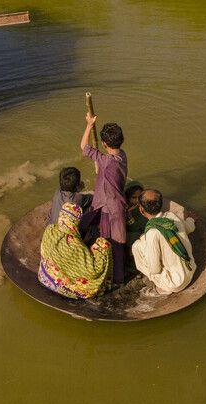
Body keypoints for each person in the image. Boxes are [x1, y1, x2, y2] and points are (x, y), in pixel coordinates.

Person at [79, 113, 127, 285]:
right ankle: (119, 277)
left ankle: (110, 275)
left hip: (108, 206)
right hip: (118, 204)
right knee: (118, 242)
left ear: (105, 144)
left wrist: (89, 125)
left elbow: (84, 146)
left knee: (109, 241)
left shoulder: (105, 161)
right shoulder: (122, 156)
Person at [38, 202, 113, 299]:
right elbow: (93, 271)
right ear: (76, 221)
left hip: (45, 277)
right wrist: (100, 247)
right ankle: (107, 285)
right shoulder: (73, 244)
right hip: (66, 289)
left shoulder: (50, 229)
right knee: (104, 245)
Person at [131, 189, 197, 296]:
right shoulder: (171, 216)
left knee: (136, 246)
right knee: (146, 241)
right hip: (191, 270)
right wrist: (191, 219)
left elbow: (155, 269)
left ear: (142, 210)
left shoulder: (152, 233)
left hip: (175, 283)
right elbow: (189, 228)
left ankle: (162, 287)